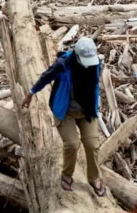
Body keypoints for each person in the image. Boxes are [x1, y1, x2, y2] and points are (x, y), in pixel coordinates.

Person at [23, 37, 106, 197]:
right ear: (77, 56)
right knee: (72, 144)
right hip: (65, 110)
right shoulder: (63, 65)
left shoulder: (95, 64)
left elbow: (95, 85)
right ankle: (67, 174)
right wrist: (31, 93)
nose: (89, 63)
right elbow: (46, 77)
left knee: (92, 144)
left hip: (86, 110)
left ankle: (94, 178)